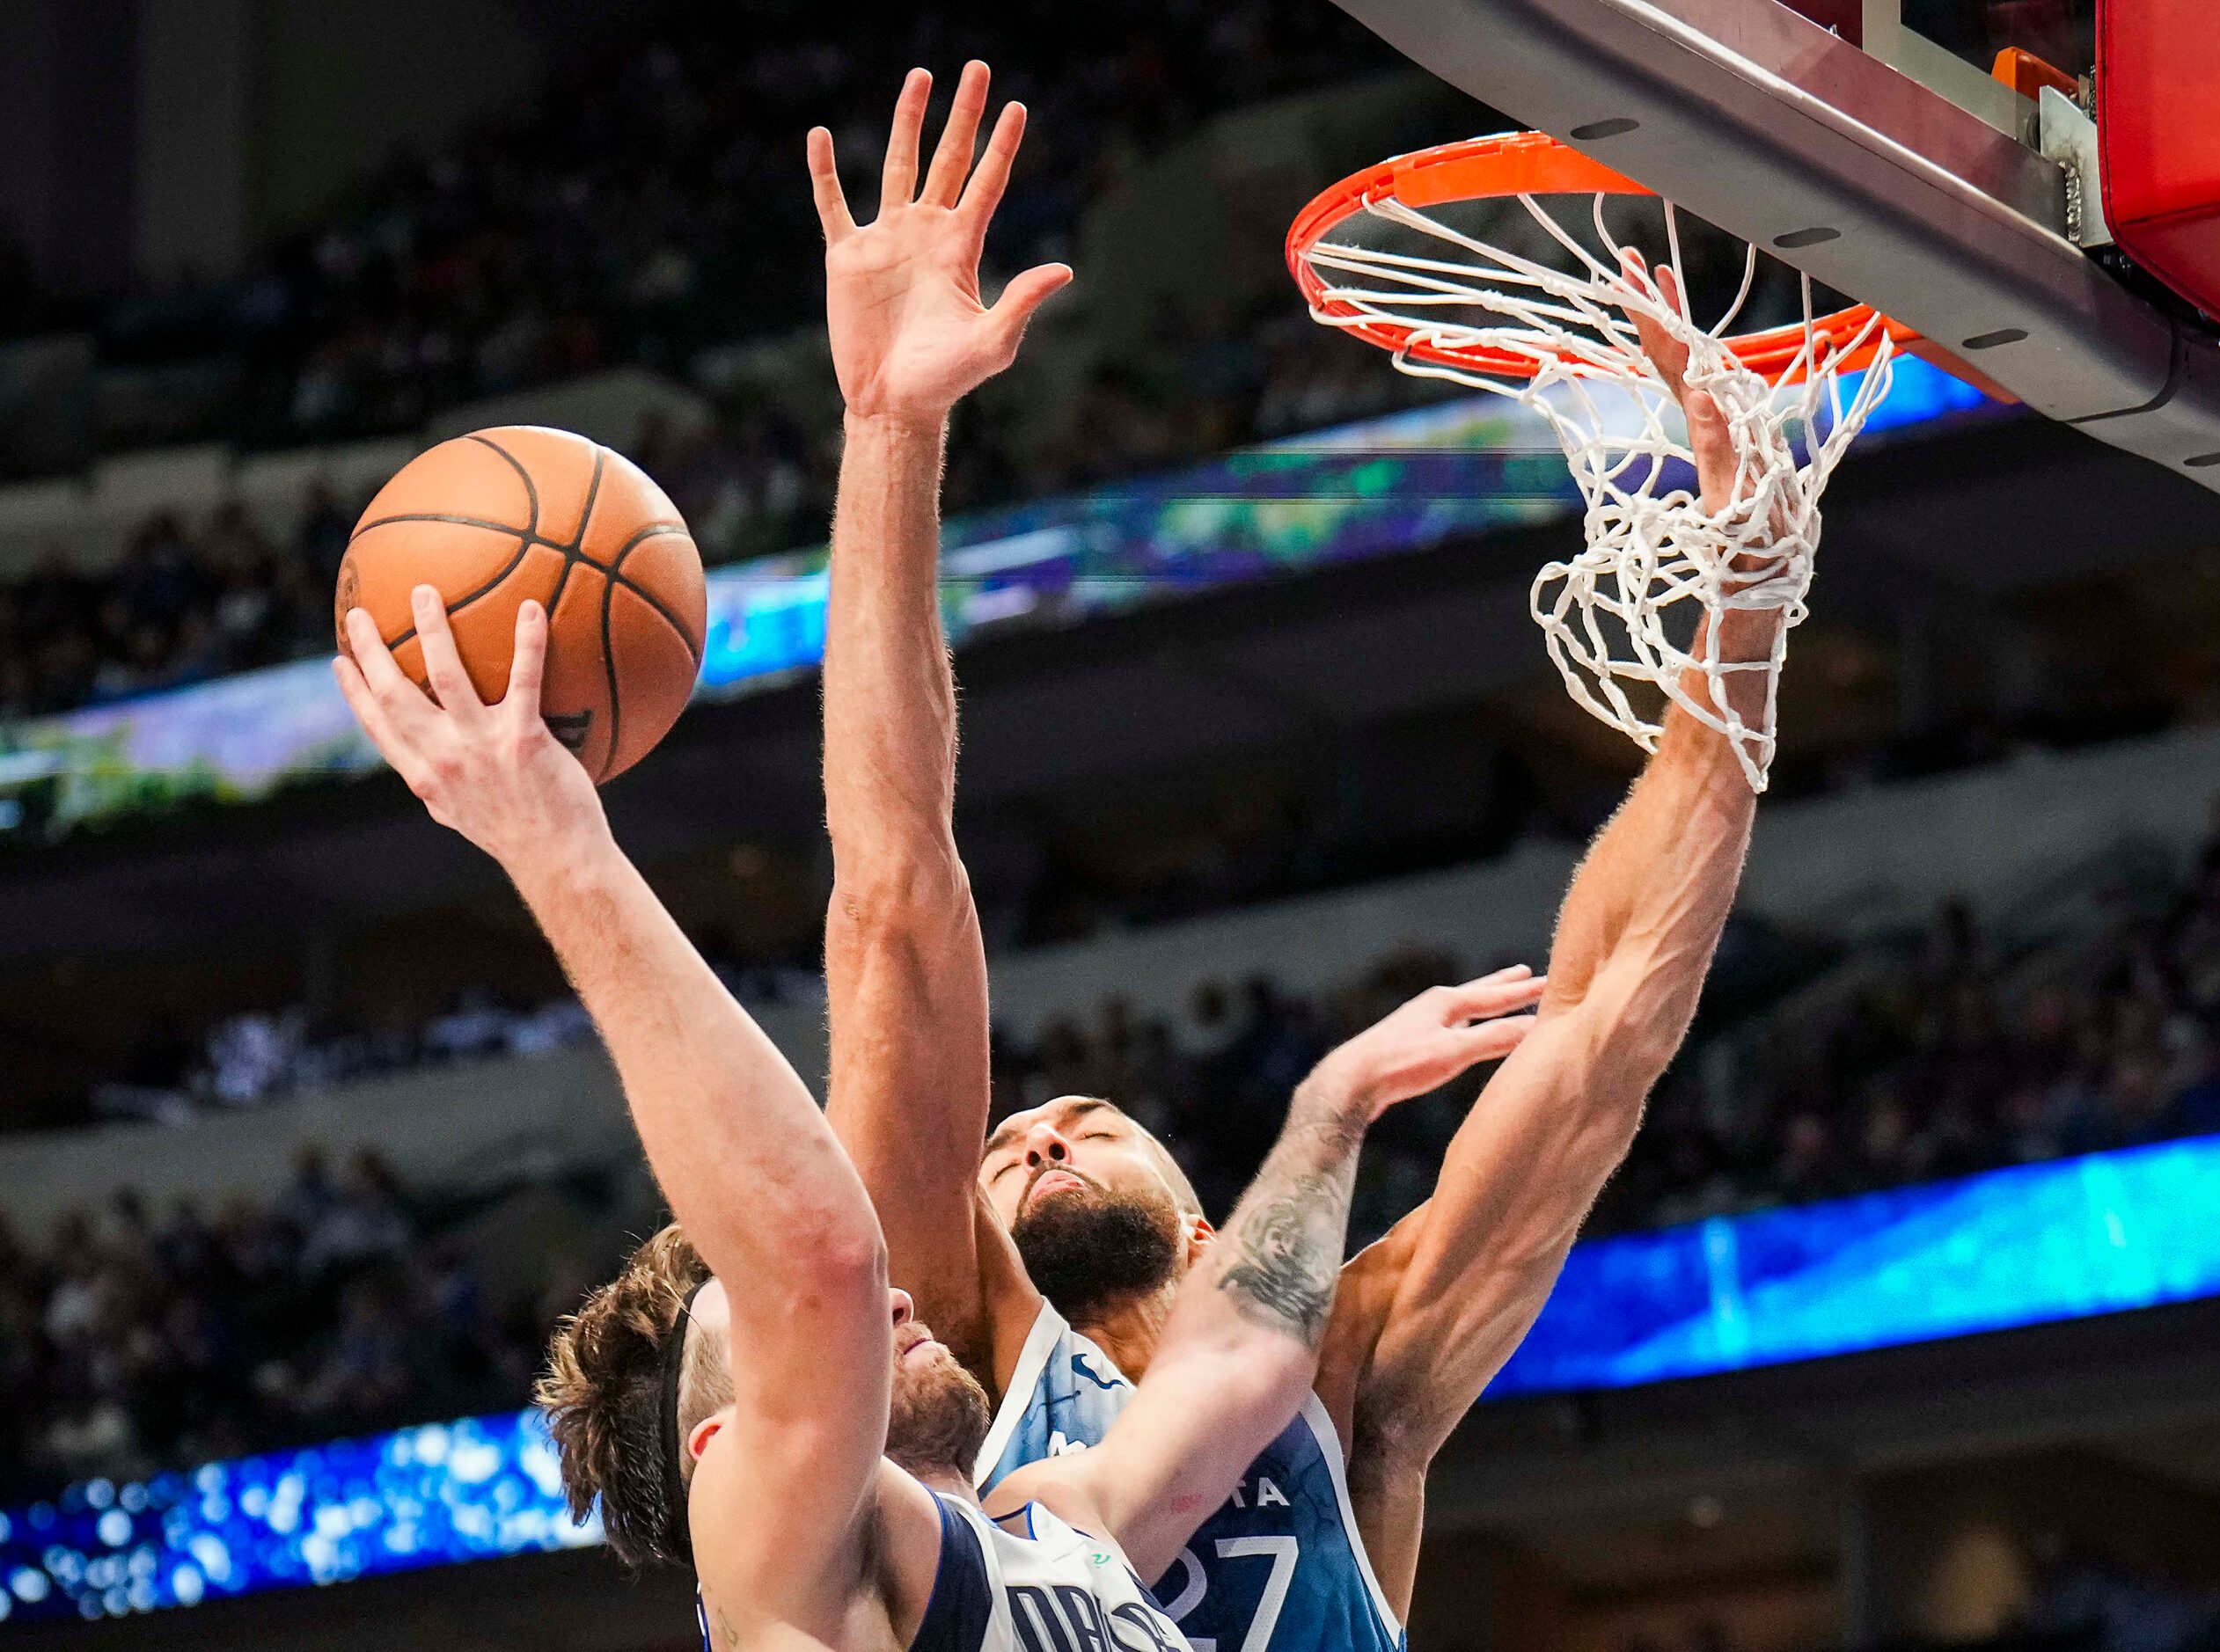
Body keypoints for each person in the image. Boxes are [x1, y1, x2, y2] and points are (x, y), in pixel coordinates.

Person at [811, 63, 1785, 1648]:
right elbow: (893, 894)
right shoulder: (963, 1359)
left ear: (1216, 1229)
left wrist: (1740, 601)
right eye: (1014, 1147)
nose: (1042, 1138)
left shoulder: (1343, 1369)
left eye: (1086, 1122)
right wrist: (888, 429)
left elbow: (1611, 1020)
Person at [330, 574, 1469, 1651]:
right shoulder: (804, 1585)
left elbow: (1238, 1358)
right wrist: (556, 850)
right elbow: (821, 1246)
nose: (880, 1297)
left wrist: (1332, 1107)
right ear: (731, 1450)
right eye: (795, 1333)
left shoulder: (1057, 1532)